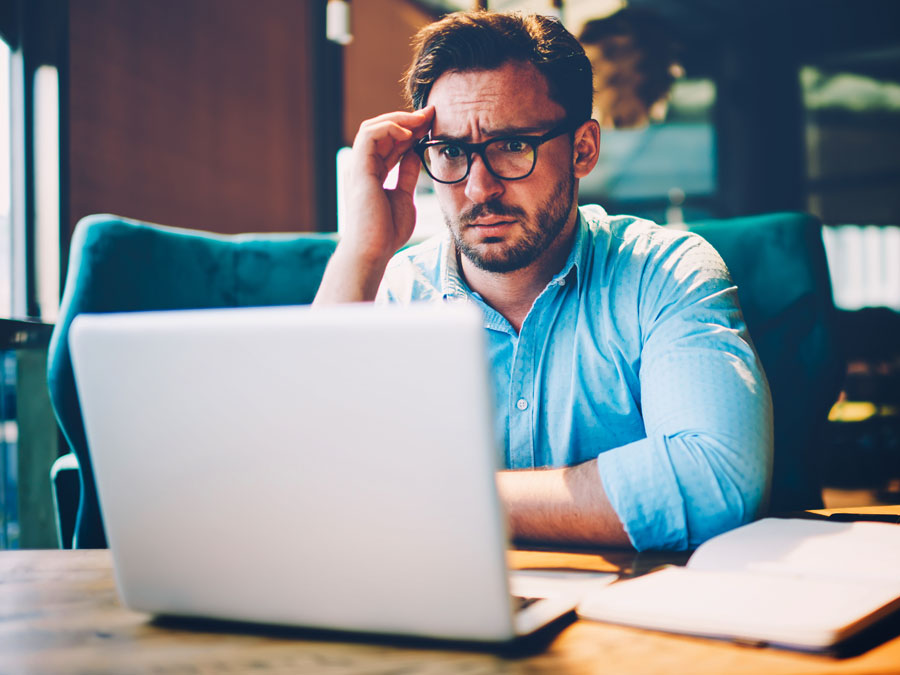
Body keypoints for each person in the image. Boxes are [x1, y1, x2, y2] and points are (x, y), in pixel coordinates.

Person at [314, 11, 772, 551]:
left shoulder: (665, 271)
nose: (479, 187)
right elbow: (300, 479)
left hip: (632, 620)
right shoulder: (395, 293)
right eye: (451, 152)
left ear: (582, 149)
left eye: (512, 146)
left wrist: (445, 500)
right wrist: (361, 254)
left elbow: (717, 479)